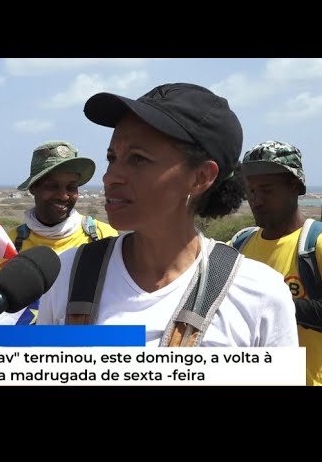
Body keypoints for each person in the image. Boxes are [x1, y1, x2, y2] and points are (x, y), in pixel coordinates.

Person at [37, 83, 298, 349]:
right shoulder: (69, 274)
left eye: (138, 159)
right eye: (112, 157)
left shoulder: (259, 294)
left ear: (201, 177)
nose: (110, 177)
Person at [235, 141, 322, 384]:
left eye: (267, 190)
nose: (256, 200)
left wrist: (272, 304)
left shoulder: (315, 244)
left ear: (295, 186)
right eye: (251, 191)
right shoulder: (239, 245)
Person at [10, 140, 118, 254]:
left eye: (71, 187)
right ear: (33, 188)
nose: (63, 196)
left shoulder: (103, 236)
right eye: (52, 186)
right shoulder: (10, 244)